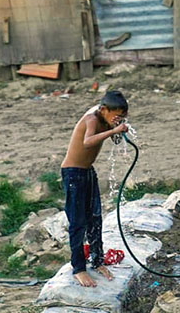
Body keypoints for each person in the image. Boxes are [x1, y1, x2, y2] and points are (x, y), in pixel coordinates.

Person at [60, 89, 129, 287]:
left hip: (88, 172)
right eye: (116, 116)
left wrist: (116, 129)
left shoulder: (105, 121)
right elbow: (87, 141)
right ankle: (78, 268)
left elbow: (113, 138)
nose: (118, 119)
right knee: (78, 221)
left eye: (122, 117)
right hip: (73, 173)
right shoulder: (92, 119)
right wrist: (114, 131)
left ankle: (97, 260)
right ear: (104, 109)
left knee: (95, 217)